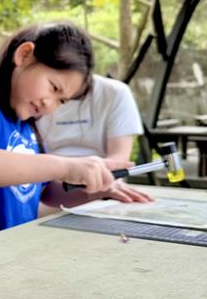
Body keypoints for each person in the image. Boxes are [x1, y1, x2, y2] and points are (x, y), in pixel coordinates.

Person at [0, 23, 128, 257]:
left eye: (61, 101)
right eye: (53, 87)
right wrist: (65, 165)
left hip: (0, 262)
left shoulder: (26, 126)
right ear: (24, 55)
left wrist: (94, 190)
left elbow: (44, 192)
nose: (50, 104)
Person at [36, 74, 154, 209]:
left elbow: (119, 159)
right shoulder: (36, 95)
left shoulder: (115, 92)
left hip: (102, 183)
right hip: (49, 185)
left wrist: (98, 184)